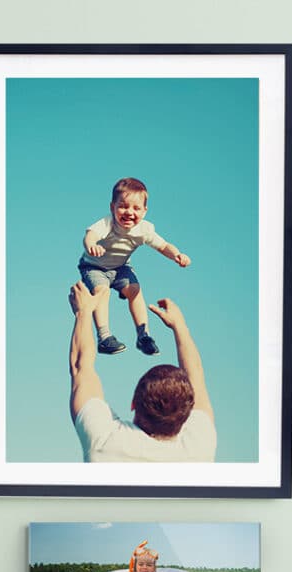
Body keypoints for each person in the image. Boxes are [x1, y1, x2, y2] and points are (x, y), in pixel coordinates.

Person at [68, 282, 217, 463]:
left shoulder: (105, 441)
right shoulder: (200, 447)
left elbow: (80, 367)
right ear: (187, 412)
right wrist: (180, 327)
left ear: (133, 403)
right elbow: (197, 377)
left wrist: (83, 313)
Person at [80, 177, 192, 356]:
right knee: (102, 291)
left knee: (135, 290)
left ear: (145, 211)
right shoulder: (107, 223)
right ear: (112, 207)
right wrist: (92, 245)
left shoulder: (145, 229)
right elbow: (90, 235)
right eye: (123, 206)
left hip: (121, 267)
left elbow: (163, 246)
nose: (129, 212)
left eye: (136, 208)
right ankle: (104, 337)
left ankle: (143, 335)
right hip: (94, 267)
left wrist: (177, 255)